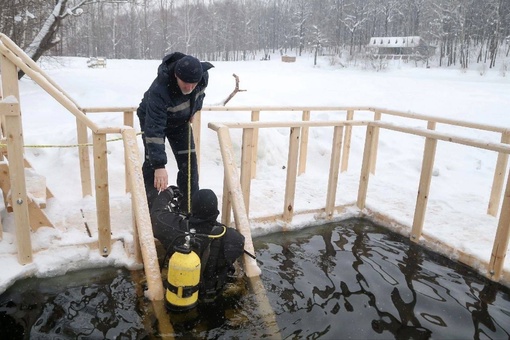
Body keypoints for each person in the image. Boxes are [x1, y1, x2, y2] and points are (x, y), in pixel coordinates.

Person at [137, 52, 214, 213]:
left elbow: (200, 95)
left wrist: (194, 109)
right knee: (153, 165)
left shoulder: (202, 77)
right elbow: (154, 129)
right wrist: (159, 165)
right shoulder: (160, 90)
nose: (190, 87)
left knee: (189, 164)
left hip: (180, 121)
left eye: (193, 84)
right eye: (185, 83)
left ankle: (188, 208)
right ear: (176, 76)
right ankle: (152, 212)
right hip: (151, 119)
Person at [150, 186, 245, 303]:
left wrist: (168, 193)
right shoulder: (232, 237)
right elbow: (240, 243)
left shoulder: (177, 231)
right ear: (216, 211)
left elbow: (156, 215)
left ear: (193, 208)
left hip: (183, 297)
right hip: (215, 298)